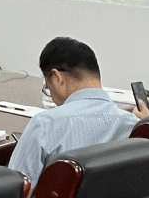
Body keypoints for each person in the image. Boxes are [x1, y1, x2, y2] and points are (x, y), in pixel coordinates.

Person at [8, 37, 140, 189]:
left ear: (57, 78)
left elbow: (16, 191)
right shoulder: (132, 123)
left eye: (47, 86)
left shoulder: (45, 124)